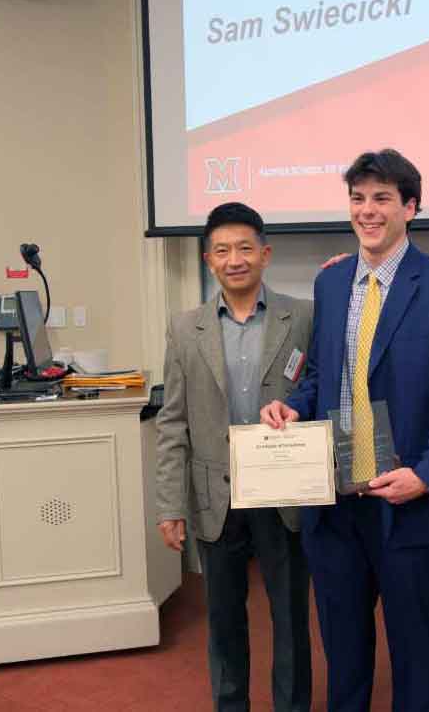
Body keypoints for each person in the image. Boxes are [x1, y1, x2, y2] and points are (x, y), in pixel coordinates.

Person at [261, 149, 429, 712]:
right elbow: (319, 374)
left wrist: (427, 476)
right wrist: (290, 407)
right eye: (358, 199)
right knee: (343, 650)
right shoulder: (332, 283)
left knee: (414, 651)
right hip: (333, 501)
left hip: (404, 501)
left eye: (382, 198)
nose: (368, 211)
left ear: (410, 207)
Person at [156, 202, 313, 712]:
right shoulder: (184, 329)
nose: (235, 259)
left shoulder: (303, 316)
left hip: (284, 493)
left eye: (245, 248)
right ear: (208, 260)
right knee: (224, 621)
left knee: (290, 618)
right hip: (214, 498)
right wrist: (169, 505)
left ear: (265, 254)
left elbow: (315, 388)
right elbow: (172, 422)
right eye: (222, 250)